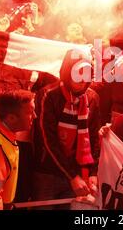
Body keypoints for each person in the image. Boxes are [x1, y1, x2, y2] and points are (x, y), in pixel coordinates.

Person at [31, 49, 101, 209]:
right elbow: (47, 140)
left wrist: (93, 173)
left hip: (77, 175)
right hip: (47, 173)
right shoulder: (48, 95)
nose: (82, 79)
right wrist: (72, 176)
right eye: (78, 72)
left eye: (87, 73)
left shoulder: (92, 98)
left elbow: (94, 138)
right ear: (67, 72)